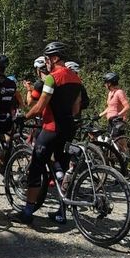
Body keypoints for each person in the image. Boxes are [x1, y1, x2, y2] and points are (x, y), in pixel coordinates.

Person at [17, 42, 82, 226]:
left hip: (51, 128)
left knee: (36, 168)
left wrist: (24, 117)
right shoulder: (76, 79)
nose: (46, 62)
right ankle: (62, 212)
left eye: (47, 59)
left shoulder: (52, 78)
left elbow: (39, 107)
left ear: (54, 58)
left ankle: (27, 213)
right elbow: (76, 108)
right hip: (69, 128)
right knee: (61, 166)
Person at [101, 72, 130, 155]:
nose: (105, 84)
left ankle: (125, 158)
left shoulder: (119, 92)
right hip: (111, 121)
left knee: (120, 142)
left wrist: (119, 114)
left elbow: (127, 106)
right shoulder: (110, 93)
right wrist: (99, 115)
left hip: (117, 120)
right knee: (112, 142)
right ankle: (118, 158)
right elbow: (110, 107)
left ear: (109, 83)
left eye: (105, 82)